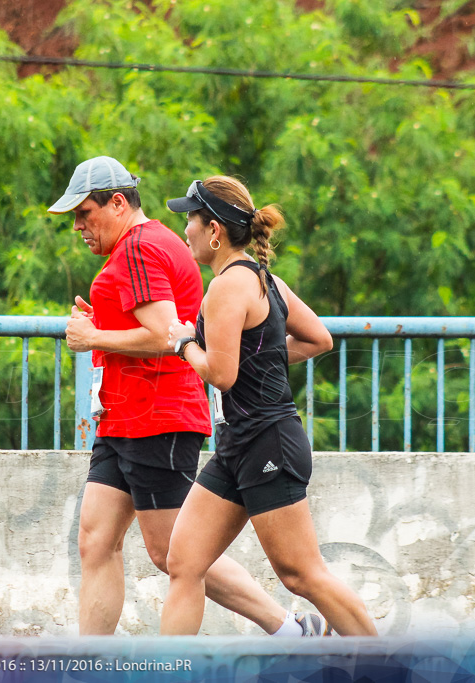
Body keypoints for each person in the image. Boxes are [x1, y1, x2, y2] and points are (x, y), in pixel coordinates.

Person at [49, 156, 328, 636]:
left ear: (117, 203)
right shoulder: (149, 245)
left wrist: (92, 337)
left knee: (176, 555)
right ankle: (91, 661)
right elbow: (164, 325)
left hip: (155, 416)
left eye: (84, 213)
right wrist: (106, 324)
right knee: (95, 541)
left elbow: (165, 336)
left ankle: (289, 629)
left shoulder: (140, 248)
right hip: (122, 417)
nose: (78, 226)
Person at [161, 176, 379, 636]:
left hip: (268, 444)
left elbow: (221, 374)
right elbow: (318, 339)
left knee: (301, 574)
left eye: (190, 221)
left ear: (215, 230)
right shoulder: (266, 280)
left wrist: (184, 343)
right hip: (239, 446)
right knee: (183, 561)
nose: (186, 231)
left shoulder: (226, 287)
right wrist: (259, 355)